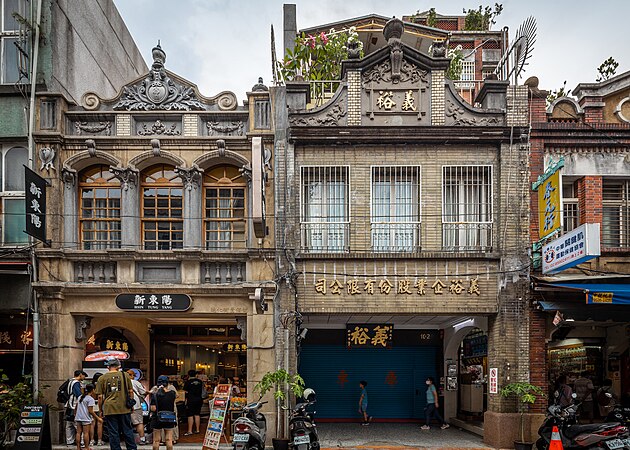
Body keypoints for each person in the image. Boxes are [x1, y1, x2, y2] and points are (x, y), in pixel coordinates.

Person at [95, 358, 137, 450]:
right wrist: (131, 405)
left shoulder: (102, 378)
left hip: (109, 408)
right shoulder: (125, 375)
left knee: (113, 432)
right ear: (118, 366)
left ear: (108, 367)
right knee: (127, 430)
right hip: (124, 407)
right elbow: (130, 391)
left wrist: (101, 410)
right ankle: (132, 448)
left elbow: (100, 397)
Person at [150, 376, 177, 450]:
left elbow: (153, 408)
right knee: (169, 439)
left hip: (157, 418)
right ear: (167, 383)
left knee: (156, 440)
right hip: (169, 417)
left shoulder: (155, 395)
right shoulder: (172, 393)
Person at [74, 384, 102, 450]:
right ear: (93, 390)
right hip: (85, 418)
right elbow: (91, 411)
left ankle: (78, 447)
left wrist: (75, 414)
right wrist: (98, 418)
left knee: (78, 433)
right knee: (86, 433)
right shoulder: (90, 399)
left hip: (78, 417)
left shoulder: (80, 397)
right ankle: (87, 447)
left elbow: (76, 407)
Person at [65, 370, 87, 446]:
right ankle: (81, 442)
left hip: (69, 405)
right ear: (80, 375)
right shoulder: (76, 383)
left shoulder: (70, 381)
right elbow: (79, 395)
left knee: (69, 425)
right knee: (77, 424)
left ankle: (69, 441)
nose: (84, 377)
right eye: (84, 376)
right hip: (75, 405)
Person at [127, 369, 147, 445]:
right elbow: (143, 392)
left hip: (124, 406)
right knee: (139, 422)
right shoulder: (135, 382)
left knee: (126, 423)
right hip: (135, 405)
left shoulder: (122, 383)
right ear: (132, 376)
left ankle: (128, 440)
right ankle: (142, 439)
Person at [183, 370, 203, 435]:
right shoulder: (200, 382)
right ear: (196, 375)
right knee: (197, 414)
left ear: (188, 375)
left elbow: (185, 391)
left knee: (190, 415)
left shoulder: (188, 382)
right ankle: (197, 430)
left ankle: (190, 430)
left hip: (191, 399)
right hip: (199, 399)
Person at [90, 373, 104, 447]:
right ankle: (99, 440)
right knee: (99, 424)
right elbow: (100, 398)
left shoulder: (91, 386)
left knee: (92, 424)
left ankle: (92, 440)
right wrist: (101, 408)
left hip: (91, 406)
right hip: (98, 406)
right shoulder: (100, 386)